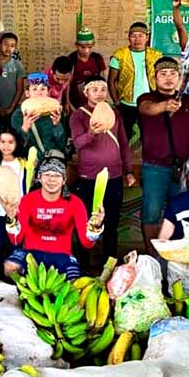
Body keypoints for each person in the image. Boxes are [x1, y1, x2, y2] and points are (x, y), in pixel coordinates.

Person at [136, 57, 189, 255]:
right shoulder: (146, 98)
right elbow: (147, 109)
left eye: (173, 74)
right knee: (151, 213)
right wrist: (165, 106)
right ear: (154, 78)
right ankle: (152, 255)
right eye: (163, 74)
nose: (168, 78)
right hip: (154, 167)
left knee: (183, 212)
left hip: (182, 167)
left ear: (180, 78)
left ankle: (178, 253)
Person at [4, 155, 104, 280]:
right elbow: (16, 240)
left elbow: (87, 243)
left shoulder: (75, 203)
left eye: (57, 175)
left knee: (74, 281)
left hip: (62, 255)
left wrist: (96, 227)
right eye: (47, 175)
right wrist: (11, 219)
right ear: (39, 177)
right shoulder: (28, 200)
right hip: (31, 253)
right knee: (10, 267)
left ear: (64, 180)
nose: (52, 180)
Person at [70, 76, 134, 263]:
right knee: (85, 222)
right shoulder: (78, 115)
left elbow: (123, 143)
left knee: (112, 223)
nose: (99, 93)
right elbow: (77, 143)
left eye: (103, 89)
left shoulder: (115, 113)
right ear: (86, 92)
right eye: (94, 89)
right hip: (88, 177)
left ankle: (110, 266)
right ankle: (82, 266)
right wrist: (91, 133)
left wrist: (128, 170)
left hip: (113, 177)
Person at [109, 22, 163, 141]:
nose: (137, 39)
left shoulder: (157, 55)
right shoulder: (120, 55)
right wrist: (116, 101)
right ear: (129, 37)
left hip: (150, 102)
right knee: (123, 136)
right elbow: (111, 81)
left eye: (141, 35)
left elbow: (162, 79)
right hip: (127, 104)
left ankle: (148, 159)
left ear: (147, 37)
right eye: (133, 35)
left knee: (149, 136)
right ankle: (122, 159)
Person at [0, 129, 29, 271]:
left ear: (17, 144)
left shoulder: (23, 163)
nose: (6, 145)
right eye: (2, 142)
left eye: (10, 142)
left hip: (18, 210)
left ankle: (15, 273)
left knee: (16, 242)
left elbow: (27, 184)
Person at [11, 73, 67, 161]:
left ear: (48, 92)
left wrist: (57, 126)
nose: (39, 92)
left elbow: (61, 145)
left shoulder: (55, 112)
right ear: (27, 93)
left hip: (51, 163)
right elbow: (14, 147)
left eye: (43, 89)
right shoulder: (18, 115)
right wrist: (24, 129)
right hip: (29, 162)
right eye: (34, 89)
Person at [0, 32, 26, 132]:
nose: (8, 48)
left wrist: (11, 108)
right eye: (5, 44)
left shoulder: (18, 65)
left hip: (12, 108)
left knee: (12, 135)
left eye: (12, 46)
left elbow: (20, 89)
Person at [68, 27, 106, 110]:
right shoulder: (72, 59)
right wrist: (68, 103)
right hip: (75, 101)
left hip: (95, 101)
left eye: (89, 47)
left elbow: (103, 81)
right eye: (82, 47)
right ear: (77, 45)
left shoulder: (97, 59)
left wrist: (102, 100)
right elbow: (67, 84)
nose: (86, 51)